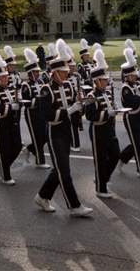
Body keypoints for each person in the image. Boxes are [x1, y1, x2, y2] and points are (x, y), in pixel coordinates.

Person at [35, 39, 92, 217]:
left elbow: (74, 112)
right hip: (55, 133)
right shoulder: (46, 90)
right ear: (55, 73)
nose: (67, 76)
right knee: (64, 172)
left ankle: (42, 196)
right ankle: (74, 206)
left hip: (66, 132)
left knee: (59, 169)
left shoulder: (68, 86)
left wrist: (82, 107)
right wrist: (70, 110)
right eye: (63, 73)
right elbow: (48, 116)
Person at [85, 47, 121, 198]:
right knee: (100, 160)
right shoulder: (91, 96)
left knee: (115, 154)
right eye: (104, 80)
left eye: (106, 80)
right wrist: (108, 113)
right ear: (96, 81)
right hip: (98, 131)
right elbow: (90, 115)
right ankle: (101, 188)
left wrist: (116, 109)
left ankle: (103, 179)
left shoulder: (106, 93)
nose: (106, 82)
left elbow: (110, 109)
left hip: (109, 130)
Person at [0, 52, 23, 185]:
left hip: (12, 123)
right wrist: (10, 107)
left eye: (6, 77)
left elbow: (15, 103)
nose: (6, 79)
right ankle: (6, 176)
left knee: (18, 146)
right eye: (2, 78)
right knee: (4, 150)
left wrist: (19, 103)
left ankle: (1, 165)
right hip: (0, 125)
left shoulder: (10, 89)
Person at [119, 47, 140, 177]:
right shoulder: (125, 88)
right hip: (130, 118)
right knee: (137, 144)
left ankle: (122, 158)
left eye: (135, 74)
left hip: (139, 117)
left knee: (137, 143)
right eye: (132, 75)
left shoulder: (137, 85)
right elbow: (133, 101)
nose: (135, 76)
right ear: (127, 76)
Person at [21, 48, 49, 169]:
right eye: (35, 72)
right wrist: (39, 99)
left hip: (42, 112)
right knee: (37, 136)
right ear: (30, 73)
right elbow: (27, 103)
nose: (38, 73)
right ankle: (40, 161)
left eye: (38, 71)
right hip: (32, 114)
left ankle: (29, 149)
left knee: (45, 136)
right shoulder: (25, 85)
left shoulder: (41, 81)